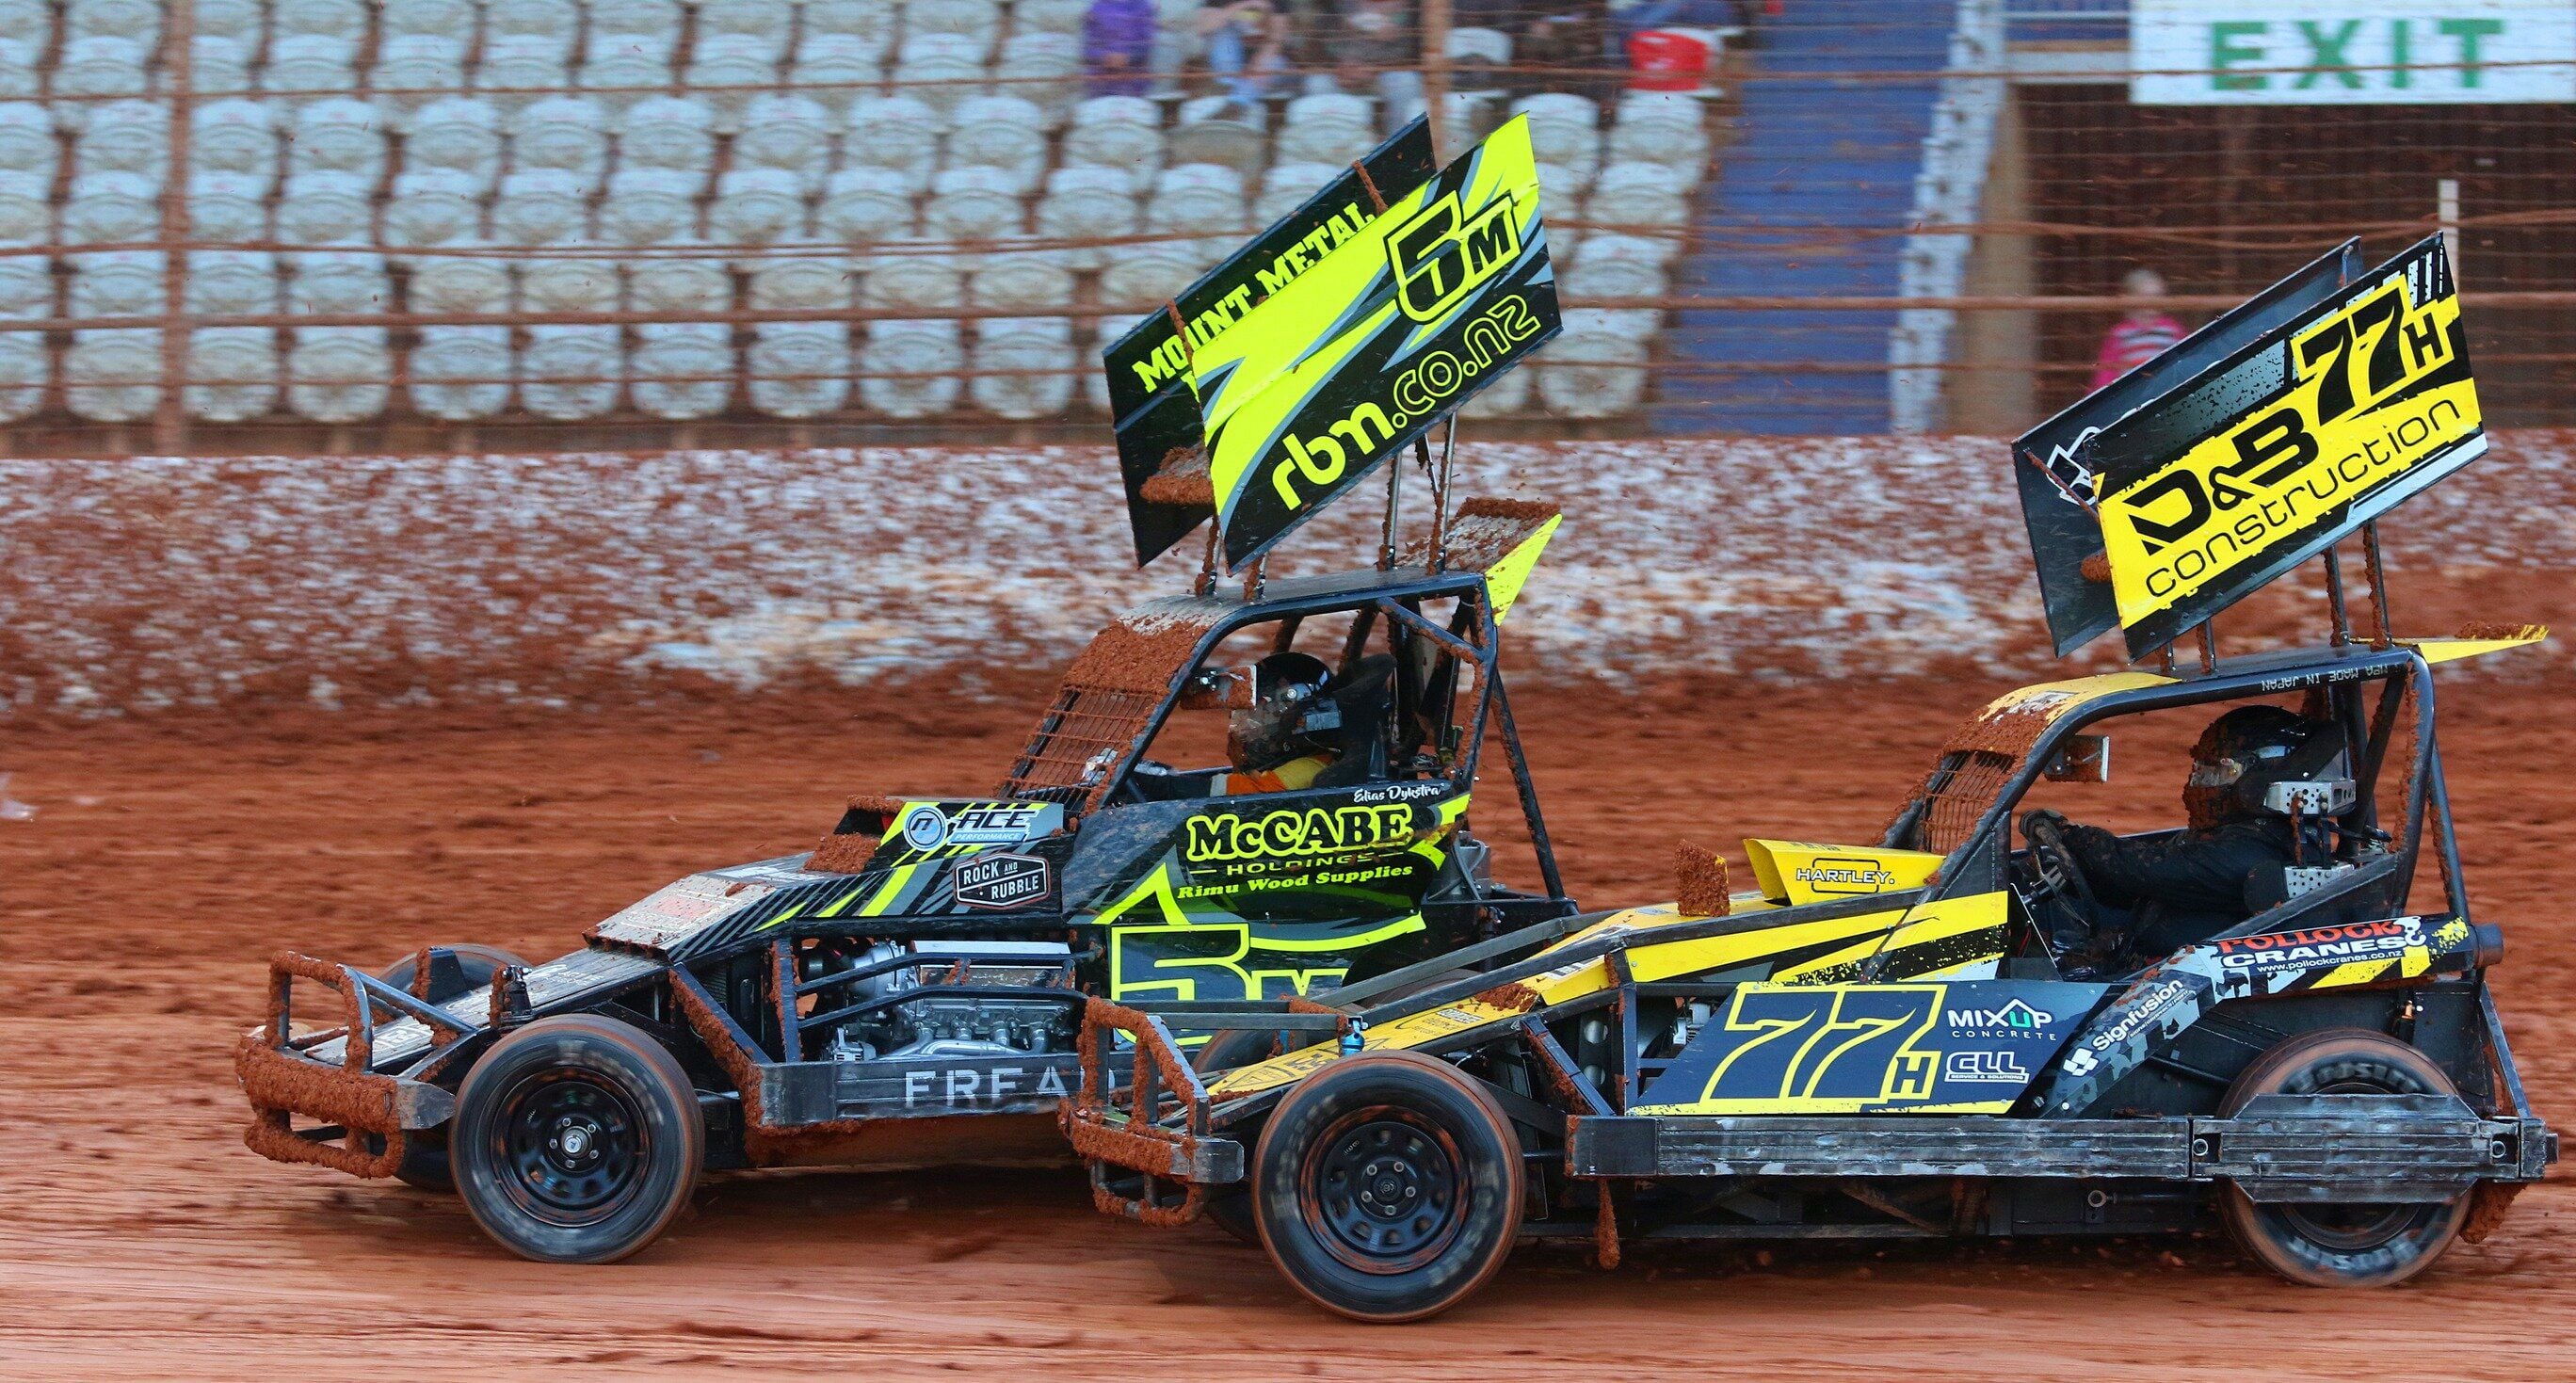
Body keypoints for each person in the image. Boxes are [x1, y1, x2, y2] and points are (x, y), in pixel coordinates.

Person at [2021, 705, 2323, 965]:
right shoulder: (2227, 836)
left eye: (2216, 773)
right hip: (2145, 967)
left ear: (2260, 781)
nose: (2199, 783)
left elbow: (2149, 869)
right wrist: (2073, 871)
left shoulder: (2247, 853)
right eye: (2201, 771)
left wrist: (2072, 837)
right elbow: (2138, 889)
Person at [1224, 651, 1343, 794]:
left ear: (1300, 722)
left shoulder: (1309, 769)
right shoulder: (1319, 760)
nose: (1245, 731)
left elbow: (1249, 793)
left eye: (1263, 716)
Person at [2090, 266, 2185, 391]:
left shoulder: (2172, 329)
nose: (2153, 302)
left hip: (2166, 390)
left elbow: (2185, 359)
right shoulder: (2121, 333)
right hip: (2132, 393)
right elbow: (2106, 372)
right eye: (2146, 296)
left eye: (2158, 296)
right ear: (2131, 298)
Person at [1200, 0, 1294, 113]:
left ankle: (1234, 107)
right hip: (1229, 67)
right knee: (1223, 35)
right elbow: (1204, 28)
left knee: (1272, 63)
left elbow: (1277, 39)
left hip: (1265, 63)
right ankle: (1228, 85)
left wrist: (1258, 64)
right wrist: (1243, 5)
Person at [1083, 0, 1160, 98]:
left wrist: (1127, 58)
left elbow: (1147, 46)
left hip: (1134, 82)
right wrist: (1105, 58)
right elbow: (1088, 48)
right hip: (1100, 82)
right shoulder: (1097, 7)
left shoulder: (1143, 6)